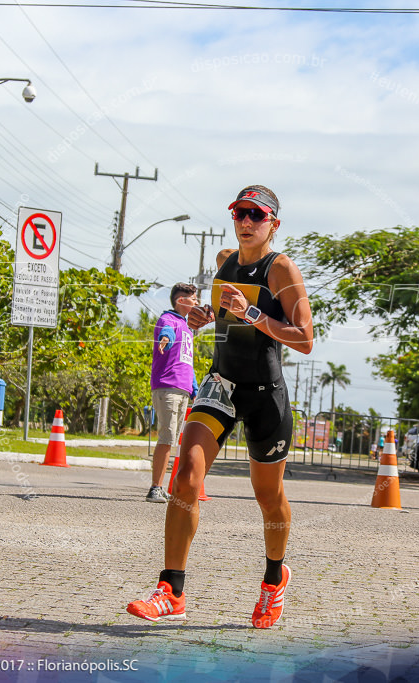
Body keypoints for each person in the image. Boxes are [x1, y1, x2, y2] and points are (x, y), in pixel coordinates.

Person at [126, 185, 314, 628]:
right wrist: (206, 318)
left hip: (266, 392)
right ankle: (171, 589)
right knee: (186, 473)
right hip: (221, 384)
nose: (246, 222)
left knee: (269, 497)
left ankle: (274, 578)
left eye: (257, 215)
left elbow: (305, 338)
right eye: (240, 213)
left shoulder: (282, 268)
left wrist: (251, 315)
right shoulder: (224, 261)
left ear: (274, 224)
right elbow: (225, 316)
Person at [146, 283, 199, 503]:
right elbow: (165, 332)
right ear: (181, 301)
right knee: (166, 439)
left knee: (172, 440)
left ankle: (161, 487)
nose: (196, 302)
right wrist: (165, 340)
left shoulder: (187, 328)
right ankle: (155, 488)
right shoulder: (168, 320)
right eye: (193, 298)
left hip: (182, 389)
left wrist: (194, 388)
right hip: (167, 387)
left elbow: (187, 361)